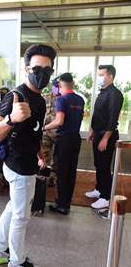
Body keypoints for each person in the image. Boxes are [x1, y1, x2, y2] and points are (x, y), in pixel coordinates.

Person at [0, 44, 56, 267]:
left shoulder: (40, 99)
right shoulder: (16, 95)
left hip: (24, 163)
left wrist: (38, 153)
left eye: (48, 70)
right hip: (18, 168)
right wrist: (11, 118)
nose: (42, 73)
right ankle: (16, 264)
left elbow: (34, 132)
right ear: (27, 69)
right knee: (21, 216)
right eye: (37, 68)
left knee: (12, 209)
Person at [45, 73, 85, 215]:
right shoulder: (80, 100)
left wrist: (45, 127)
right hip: (76, 139)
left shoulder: (61, 100)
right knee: (71, 172)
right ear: (72, 84)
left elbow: (59, 121)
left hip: (64, 140)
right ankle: (66, 203)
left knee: (61, 172)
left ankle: (61, 205)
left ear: (60, 85)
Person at [85, 65, 123, 210]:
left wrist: (106, 138)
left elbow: (112, 119)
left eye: (102, 75)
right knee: (98, 164)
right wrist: (93, 131)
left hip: (107, 135)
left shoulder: (115, 94)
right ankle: (99, 189)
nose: (100, 77)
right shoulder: (103, 92)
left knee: (104, 166)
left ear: (110, 76)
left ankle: (106, 197)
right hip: (98, 133)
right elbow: (99, 114)